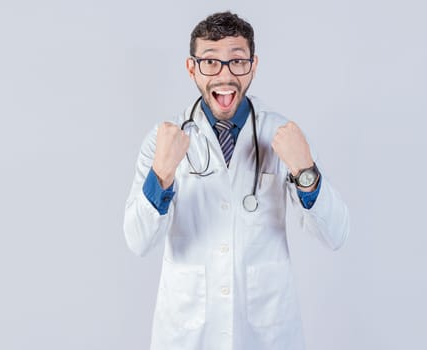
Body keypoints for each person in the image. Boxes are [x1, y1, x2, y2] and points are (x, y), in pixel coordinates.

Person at [123, 11, 349, 350]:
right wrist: (162, 174)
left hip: (266, 330)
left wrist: (305, 171)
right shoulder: (163, 140)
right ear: (192, 68)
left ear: (253, 66)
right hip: (188, 331)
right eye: (210, 62)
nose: (225, 75)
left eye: (237, 61)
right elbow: (138, 241)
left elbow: (336, 234)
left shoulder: (281, 134)